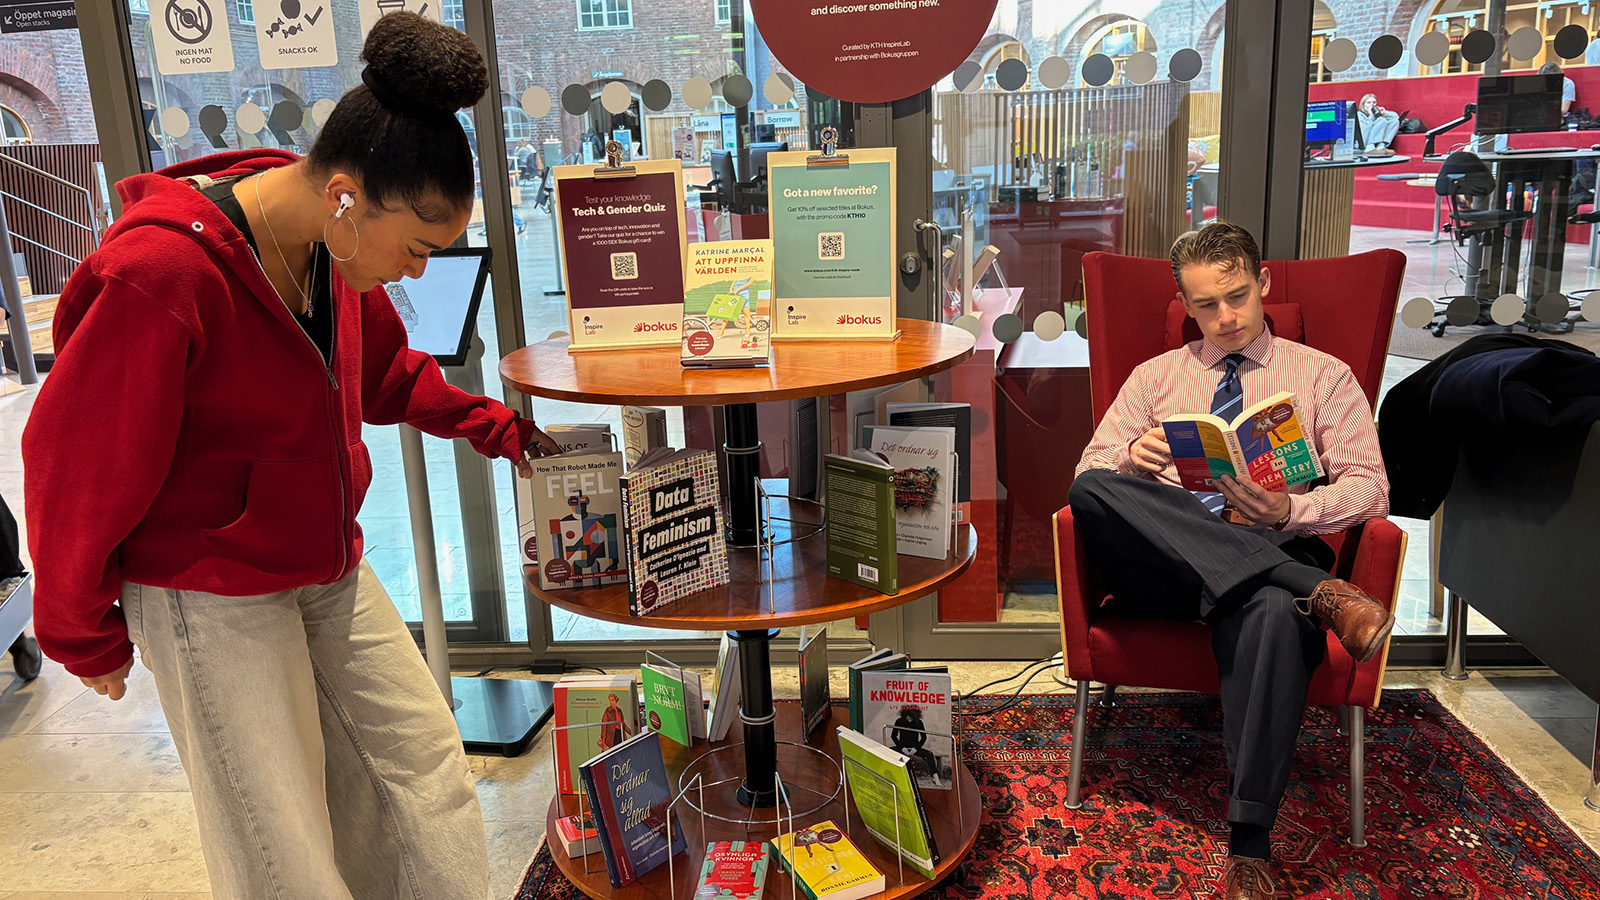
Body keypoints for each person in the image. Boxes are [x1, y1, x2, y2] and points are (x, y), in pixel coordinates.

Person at [21, 13, 562, 900]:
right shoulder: (162, 276)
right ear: (348, 194)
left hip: (323, 561)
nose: (417, 273)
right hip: (205, 589)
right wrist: (81, 630)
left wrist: (496, 429)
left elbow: (383, 373)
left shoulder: (328, 249)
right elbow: (74, 466)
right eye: (416, 246)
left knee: (423, 778)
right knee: (278, 840)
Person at [1068, 221, 1393, 900]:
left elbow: (1371, 485)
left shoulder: (1321, 376)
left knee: (1274, 608)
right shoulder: (1154, 378)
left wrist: (1288, 512)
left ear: (1264, 283)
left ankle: (1250, 847)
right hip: (1163, 569)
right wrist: (1132, 457)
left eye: (1238, 296)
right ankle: (1321, 591)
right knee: (1094, 486)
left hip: (1273, 545)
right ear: (1184, 304)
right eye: (1206, 305)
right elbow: (1091, 473)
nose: (1227, 318)